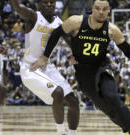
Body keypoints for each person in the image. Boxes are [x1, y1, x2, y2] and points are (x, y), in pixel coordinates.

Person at [30, 0, 130, 134]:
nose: (101, 12)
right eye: (98, 8)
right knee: (105, 107)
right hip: (84, 73)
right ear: (92, 9)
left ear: (109, 10)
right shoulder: (76, 21)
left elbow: (128, 51)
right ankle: (126, 127)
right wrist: (45, 57)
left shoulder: (112, 30)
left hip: (102, 67)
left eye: (105, 9)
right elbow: (55, 34)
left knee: (113, 97)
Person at [10, 0, 79, 135]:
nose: (49, 5)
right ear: (38, 5)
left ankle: (72, 133)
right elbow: (17, 6)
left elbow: (72, 43)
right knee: (58, 92)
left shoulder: (60, 23)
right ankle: (61, 132)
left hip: (47, 67)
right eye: (45, 2)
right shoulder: (33, 16)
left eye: (51, 2)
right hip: (30, 68)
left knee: (74, 101)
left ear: (55, 4)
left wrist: (77, 56)